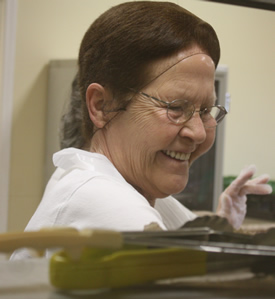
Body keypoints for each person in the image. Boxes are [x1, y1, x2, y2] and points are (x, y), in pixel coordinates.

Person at [12, 1, 272, 259]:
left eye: (205, 111)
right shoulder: (106, 204)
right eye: (176, 107)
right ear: (102, 106)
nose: (199, 133)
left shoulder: (129, 188)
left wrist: (223, 224)